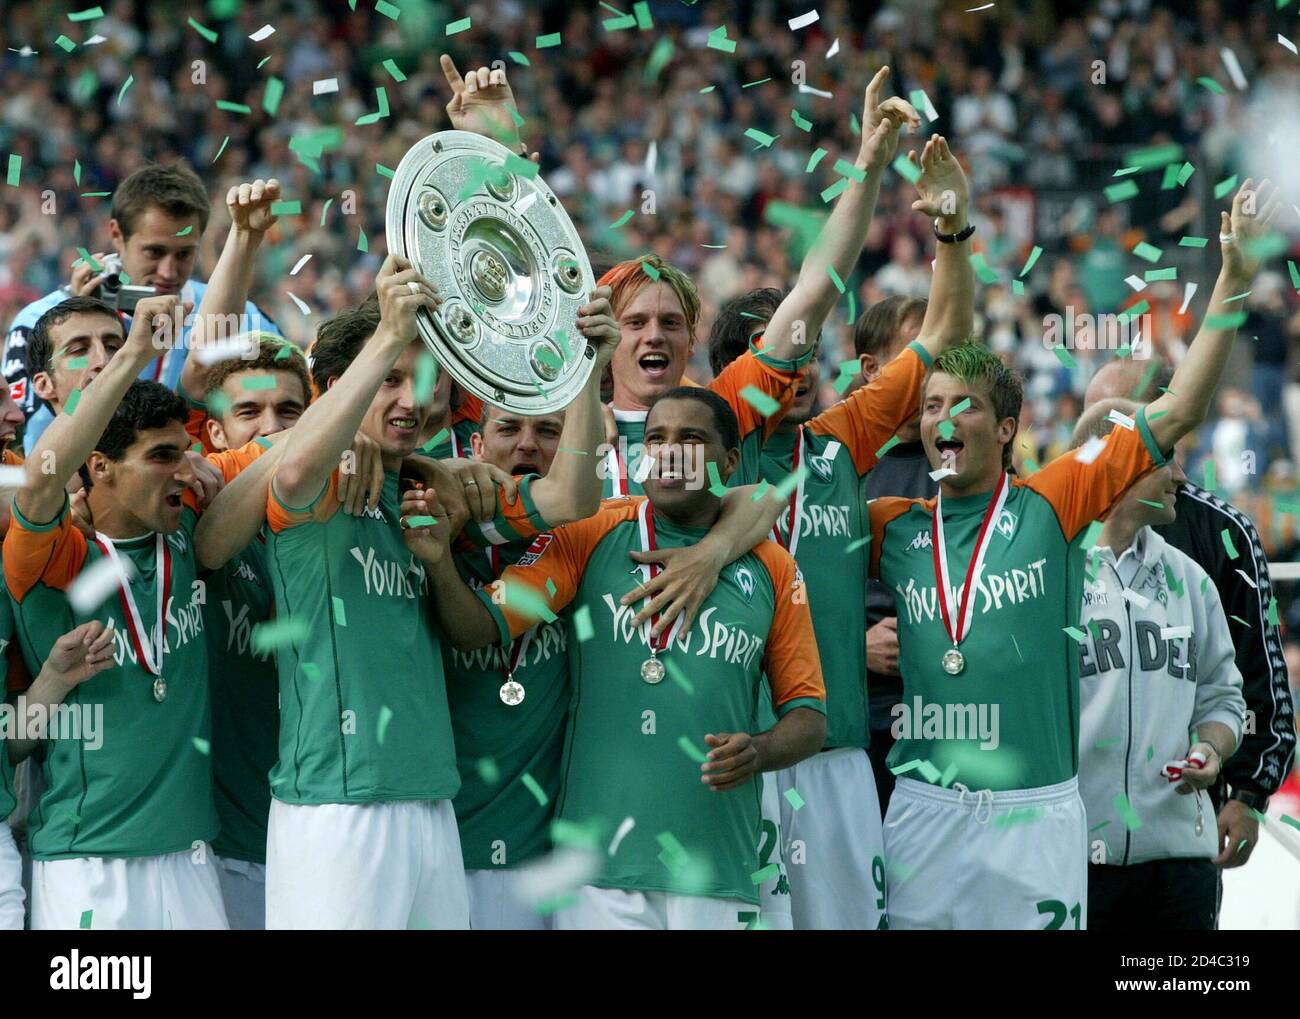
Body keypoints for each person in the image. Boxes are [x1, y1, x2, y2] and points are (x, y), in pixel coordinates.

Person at [866, 180, 1279, 928]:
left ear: (1007, 428)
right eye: (930, 405)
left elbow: (1178, 406)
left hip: (1038, 815)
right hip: (924, 808)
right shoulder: (891, 526)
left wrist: (1235, 280)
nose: (943, 419)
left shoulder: (1052, 504)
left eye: (965, 405)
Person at [255, 253, 620, 929]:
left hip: (431, 801)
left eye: (425, 381)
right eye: (390, 379)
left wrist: (587, 368)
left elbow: (573, 494)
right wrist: (391, 331)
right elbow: (301, 457)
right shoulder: (316, 481)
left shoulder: (435, 491)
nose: (411, 400)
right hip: (338, 803)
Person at [423, 388, 827, 930]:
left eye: (692, 439)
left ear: (730, 461)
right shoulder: (592, 531)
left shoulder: (773, 566)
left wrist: (760, 749)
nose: (670, 452)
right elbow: (478, 626)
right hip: (598, 874)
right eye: (656, 438)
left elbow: (809, 718)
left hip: (718, 865)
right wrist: (438, 564)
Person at [707, 133, 975, 928]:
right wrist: (863, 167)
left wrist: (953, 232)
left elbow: (944, 333)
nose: (804, 370)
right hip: (744, 759)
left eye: (813, 358)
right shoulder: (718, 455)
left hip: (842, 763)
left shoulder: (841, 440)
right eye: (784, 360)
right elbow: (814, 296)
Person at [3, 293, 269, 929]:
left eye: (183, 452)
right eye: (160, 457)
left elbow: (271, 434)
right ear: (100, 467)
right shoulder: (51, 557)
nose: (180, 470)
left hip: (192, 854)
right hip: (90, 862)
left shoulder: (186, 532)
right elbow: (42, 479)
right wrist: (132, 353)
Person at [1084, 357, 1296, 871]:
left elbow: (1257, 679)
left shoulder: (1223, 535)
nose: (1094, 440)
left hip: (1183, 830)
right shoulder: (1052, 527)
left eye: (1119, 422)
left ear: (1168, 422)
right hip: (1072, 834)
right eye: (1094, 421)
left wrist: (1248, 795)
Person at [1071, 398, 1245, 929]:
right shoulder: (1050, 572)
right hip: (1072, 864)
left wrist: (1210, 749)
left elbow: (1223, 698)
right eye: (1165, 456)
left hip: (1179, 870)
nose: (1179, 473)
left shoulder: (1191, 579)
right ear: (1120, 460)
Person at [4, 164, 279, 452]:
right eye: (154, 252)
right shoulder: (38, 322)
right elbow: (20, 440)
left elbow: (285, 412)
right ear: (117, 235)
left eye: (184, 253)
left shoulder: (244, 317)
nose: (169, 271)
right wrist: (84, 321)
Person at [857, 296, 937, 814]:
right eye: (914, 355)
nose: (928, 373)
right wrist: (851, 646)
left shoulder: (976, 468)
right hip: (854, 731)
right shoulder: (830, 462)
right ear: (871, 369)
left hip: (954, 729)